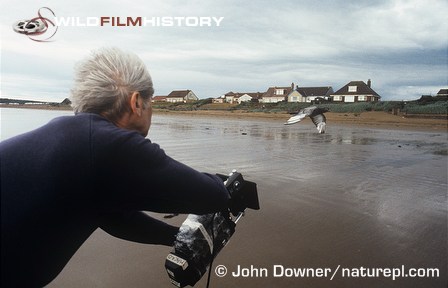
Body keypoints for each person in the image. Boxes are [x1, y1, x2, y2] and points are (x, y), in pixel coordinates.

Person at [0, 47, 230, 287]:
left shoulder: (72, 139)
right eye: (150, 102)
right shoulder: (108, 145)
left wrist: (177, 238)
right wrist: (224, 186)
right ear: (136, 102)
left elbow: (111, 217)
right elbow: (214, 196)